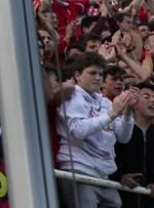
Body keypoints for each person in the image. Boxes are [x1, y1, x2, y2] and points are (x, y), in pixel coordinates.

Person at [57, 52, 139, 208]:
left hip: (103, 174)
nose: (98, 77)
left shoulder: (104, 101)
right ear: (77, 75)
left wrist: (127, 112)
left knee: (116, 203)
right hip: (79, 171)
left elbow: (123, 137)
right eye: (92, 73)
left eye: (101, 74)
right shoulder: (72, 96)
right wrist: (113, 114)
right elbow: (78, 131)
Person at [114, 82, 154, 207]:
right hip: (124, 196)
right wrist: (120, 177)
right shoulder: (119, 129)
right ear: (133, 102)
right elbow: (108, 158)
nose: (152, 100)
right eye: (146, 97)